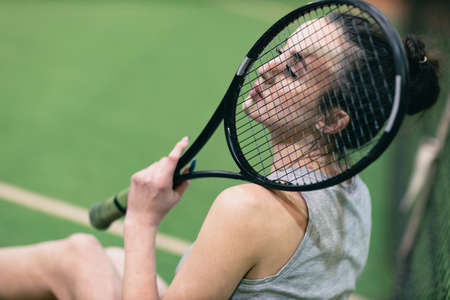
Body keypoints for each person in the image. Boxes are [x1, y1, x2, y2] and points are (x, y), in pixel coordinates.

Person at [0, 12, 440, 300]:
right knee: (106, 261)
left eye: (294, 69)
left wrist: (140, 219)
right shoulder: (352, 191)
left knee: (79, 257)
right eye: (283, 51)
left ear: (332, 120)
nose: (266, 68)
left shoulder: (249, 209)